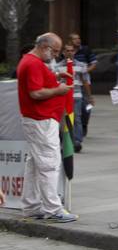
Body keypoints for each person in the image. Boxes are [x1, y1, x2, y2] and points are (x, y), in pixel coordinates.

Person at [17, 33, 77, 222]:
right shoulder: (33, 63)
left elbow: (38, 84)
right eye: (56, 51)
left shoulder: (31, 61)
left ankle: (32, 205)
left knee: (35, 163)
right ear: (46, 47)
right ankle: (53, 209)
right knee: (49, 163)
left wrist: (56, 75)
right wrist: (58, 90)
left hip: (39, 119)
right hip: (41, 120)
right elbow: (36, 93)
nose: (56, 56)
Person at [56, 43, 88, 152]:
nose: (69, 53)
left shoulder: (81, 65)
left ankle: (77, 141)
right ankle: (64, 140)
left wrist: (89, 96)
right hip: (63, 95)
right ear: (63, 53)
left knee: (77, 118)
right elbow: (56, 81)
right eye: (67, 51)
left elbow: (85, 81)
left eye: (71, 50)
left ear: (74, 52)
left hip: (77, 95)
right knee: (63, 119)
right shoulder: (58, 66)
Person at [69, 32, 96, 138]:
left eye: (79, 38)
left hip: (84, 82)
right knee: (75, 110)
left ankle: (84, 124)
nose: (78, 40)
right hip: (72, 84)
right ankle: (76, 132)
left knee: (87, 106)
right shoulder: (67, 52)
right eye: (75, 39)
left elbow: (94, 63)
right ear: (70, 41)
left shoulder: (85, 50)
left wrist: (84, 71)